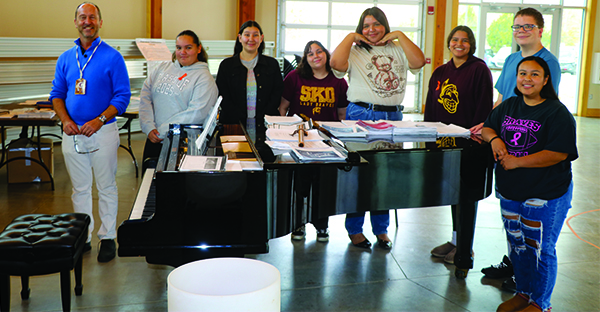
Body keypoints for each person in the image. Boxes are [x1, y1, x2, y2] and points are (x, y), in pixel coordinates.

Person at [482, 56, 577, 312]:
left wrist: (517, 162)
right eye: (522, 73)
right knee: (518, 247)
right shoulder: (510, 105)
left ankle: (540, 304)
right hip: (511, 191)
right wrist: (495, 140)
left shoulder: (557, 112)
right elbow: (488, 127)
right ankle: (523, 293)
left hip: (546, 193)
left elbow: (559, 153)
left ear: (546, 80)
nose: (527, 79)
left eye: (534, 74)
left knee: (540, 250)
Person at [330, 7, 426, 250]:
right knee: (359, 176)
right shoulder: (355, 50)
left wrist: (400, 35)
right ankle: (355, 230)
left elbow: (418, 62)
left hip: (393, 116)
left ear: (385, 26)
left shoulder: (398, 48)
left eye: (376, 24)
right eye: (365, 26)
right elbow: (336, 65)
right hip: (361, 113)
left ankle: (381, 230)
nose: (371, 30)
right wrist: (352, 37)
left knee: (386, 177)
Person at [480, 7, 562, 289]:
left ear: (540, 30)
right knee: (511, 213)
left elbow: (543, 103)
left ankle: (532, 287)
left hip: (528, 147)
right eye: (517, 26)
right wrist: (488, 126)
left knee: (533, 226)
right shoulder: (513, 58)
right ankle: (514, 263)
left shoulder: (548, 62)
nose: (521, 31)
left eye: (528, 26)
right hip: (505, 144)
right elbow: (503, 98)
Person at [50, 2, 131, 262]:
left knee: (106, 186)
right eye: (82, 17)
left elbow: (122, 96)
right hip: (72, 133)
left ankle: (107, 238)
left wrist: (99, 120)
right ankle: (82, 236)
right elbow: (57, 95)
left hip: (102, 131)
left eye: (92, 17)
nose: (88, 22)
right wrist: (64, 120)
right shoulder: (65, 58)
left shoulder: (112, 57)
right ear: (75, 22)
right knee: (80, 188)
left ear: (100, 22)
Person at [424, 26, 493, 264]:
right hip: (443, 143)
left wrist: (478, 138)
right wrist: (429, 140)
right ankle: (455, 239)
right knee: (453, 195)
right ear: (449, 43)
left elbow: (483, 108)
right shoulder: (441, 71)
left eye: (465, 40)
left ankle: (466, 248)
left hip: (469, 145)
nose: (459, 44)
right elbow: (431, 110)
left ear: (471, 44)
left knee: (467, 196)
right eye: (455, 39)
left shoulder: (479, 70)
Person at [279, 40, 349, 243]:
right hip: (300, 140)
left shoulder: (338, 81)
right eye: (310, 54)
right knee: (300, 186)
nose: (315, 56)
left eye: (319, 51)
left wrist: (339, 139)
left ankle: (322, 226)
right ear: (305, 59)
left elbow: (342, 114)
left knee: (323, 186)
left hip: (326, 142)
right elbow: (283, 107)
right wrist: (285, 134)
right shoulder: (294, 77)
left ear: (326, 54)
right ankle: (297, 224)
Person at [139, 30, 218, 171]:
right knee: (151, 186)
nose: (183, 52)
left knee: (175, 189)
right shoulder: (163, 68)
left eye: (188, 47)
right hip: (153, 139)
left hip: (181, 144)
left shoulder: (204, 78)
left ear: (198, 48)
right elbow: (146, 95)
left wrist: (161, 131)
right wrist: (148, 127)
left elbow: (195, 114)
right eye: (178, 47)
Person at [216, 20, 282, 134]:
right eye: (247, 35)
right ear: (240, 38)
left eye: (255, 35)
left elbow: (277, 93)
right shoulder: (227, 65)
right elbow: (223, 96)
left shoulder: (272, 64)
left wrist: (262, 116)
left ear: (261, 38)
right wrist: (240, 117)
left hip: (266, 126)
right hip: (233, 126)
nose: (251, 39)